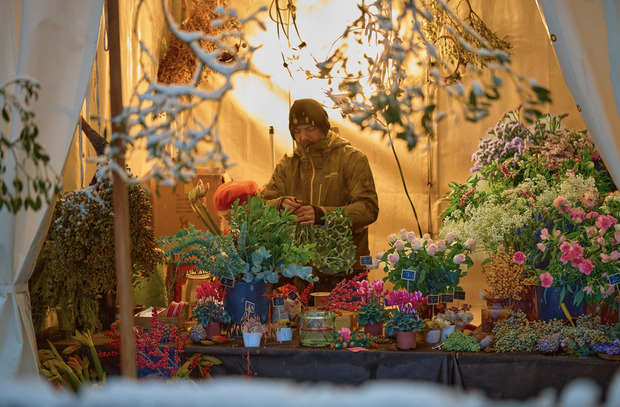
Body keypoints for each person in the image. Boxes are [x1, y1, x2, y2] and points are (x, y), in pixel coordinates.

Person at [261, 98, 379, 292]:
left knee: (344, 322)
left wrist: (324, 215)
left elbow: (368, 208)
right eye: (297, 132)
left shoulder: (352, 159)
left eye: (309, 129)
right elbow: (264, 203)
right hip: (298, 270)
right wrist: (281, 204)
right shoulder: (288, 164)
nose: (303, 137)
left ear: (324, 127)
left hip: (343, 270)